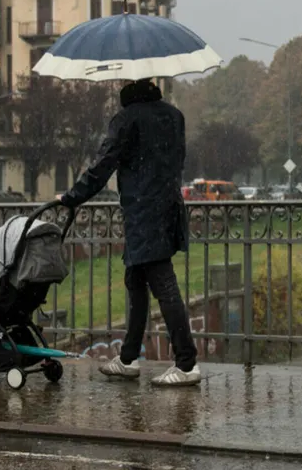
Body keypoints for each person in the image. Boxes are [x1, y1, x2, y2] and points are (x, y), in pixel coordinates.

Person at [60, 78, 200, 386]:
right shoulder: (175, 116)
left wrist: (71, 197)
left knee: (164, 285)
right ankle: (127, 359)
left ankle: (187, 363)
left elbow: (102, 166)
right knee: (136, 281)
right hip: (169, 206)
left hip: (143, 211)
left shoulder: (127, 119)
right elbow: (176, 161)